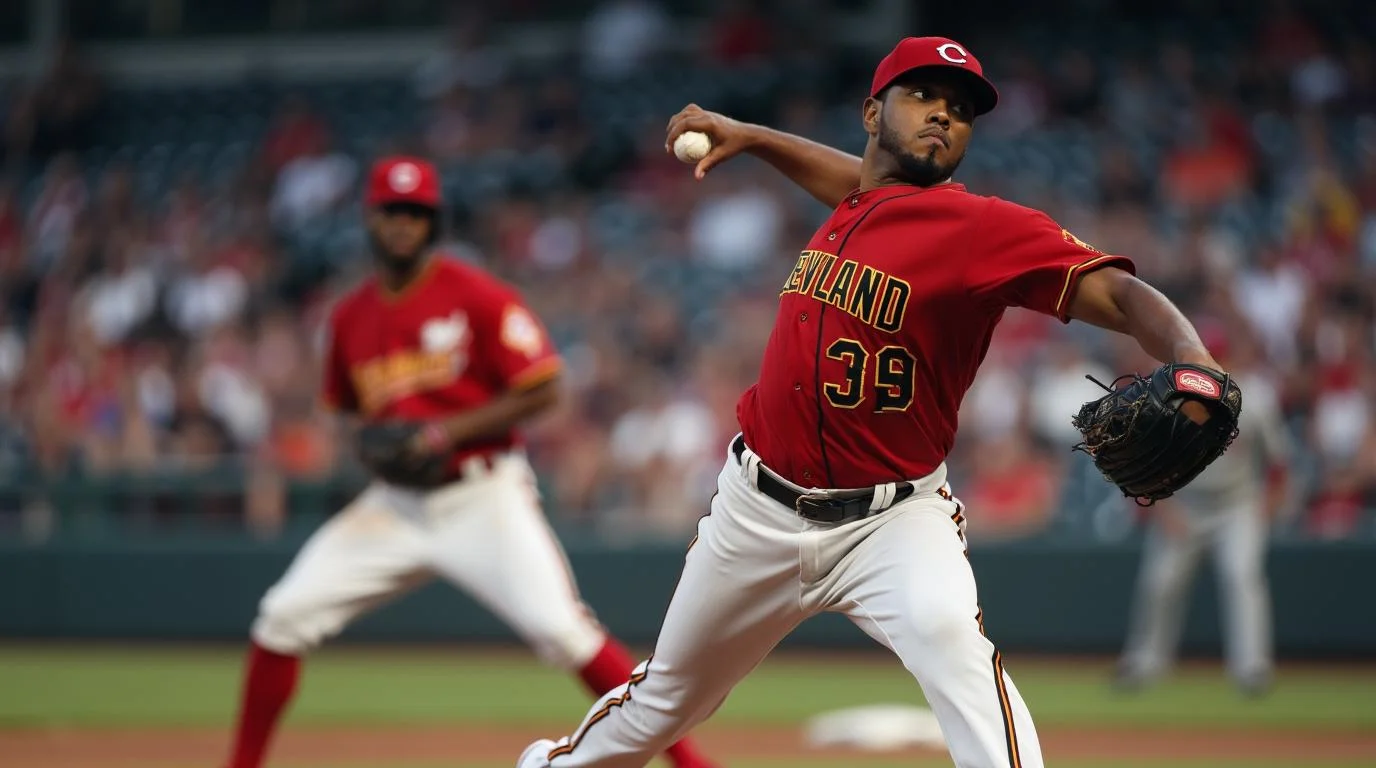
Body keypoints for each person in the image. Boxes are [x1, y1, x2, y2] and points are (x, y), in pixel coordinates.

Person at [516, 36, 1226, 768]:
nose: (944, 116)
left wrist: (1194, 359)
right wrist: (754, 138)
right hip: (755, 512)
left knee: (956, 650)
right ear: (871, 111)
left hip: (893, 521)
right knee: (665, 699)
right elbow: (852, 182)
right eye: (924, 96)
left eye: (960, 109)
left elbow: (1120, 292)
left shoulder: (981, 230)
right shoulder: (859, 201)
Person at [220, 156, 718, 768]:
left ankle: (695, 765)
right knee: (283, 617)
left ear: (434, 221)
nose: (404, 224)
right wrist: (379, 446)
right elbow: (349, 417)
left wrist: (443, 432)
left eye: (416, 213)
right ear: (370, 220)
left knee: (565, 632)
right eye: (392, 212)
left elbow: (545, 386)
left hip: (483, 495)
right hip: (396, 505)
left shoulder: (473, 295)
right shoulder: (350, 319)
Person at [1115, 328, 1290, 697]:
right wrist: (1163, 509)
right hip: (1184, 503)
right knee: (1160, 582)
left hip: (1237, 505)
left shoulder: (1255, 399)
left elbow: (1279, 466)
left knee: (1241, 577)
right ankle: (1143, 664)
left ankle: (1252, 670)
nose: (1213, 366)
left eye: (1218, 358)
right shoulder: (1170, 400)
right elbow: (1148, 466)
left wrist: (1265, 510)